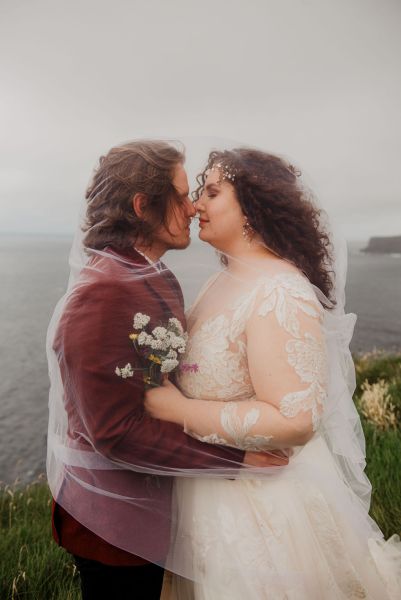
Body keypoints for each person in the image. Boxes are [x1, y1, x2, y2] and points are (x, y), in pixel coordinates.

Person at [145, 148, 401, 599]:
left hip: (264, 511)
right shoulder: (222, 280)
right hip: (211, 494)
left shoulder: (280, 291)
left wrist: (182, 410)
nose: (195, 205)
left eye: (212, 193)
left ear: (252, 208)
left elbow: (295, 420)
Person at [46, 140, 285, 600]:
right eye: (180, 195)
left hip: (156, 501)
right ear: (142, 205)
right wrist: (237, 459)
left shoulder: (153, 274)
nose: (193, 205)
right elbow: (115, 434)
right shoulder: (102, 294)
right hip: (113, 525)